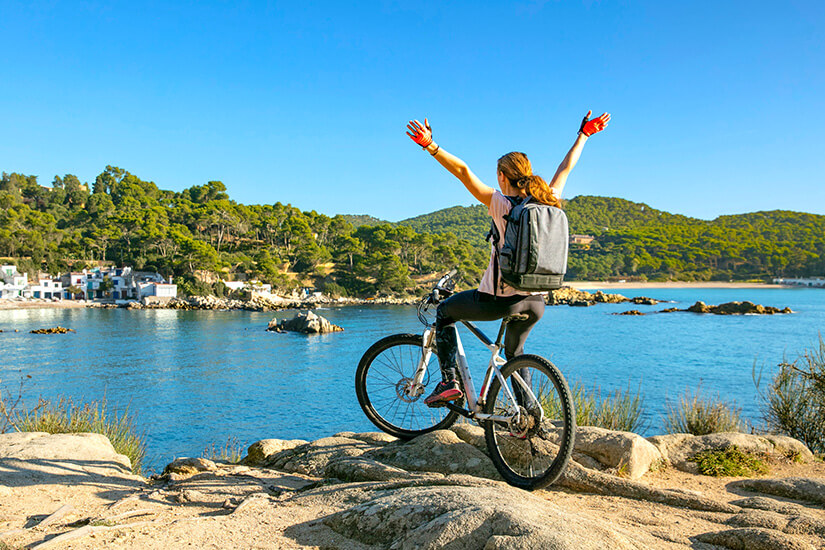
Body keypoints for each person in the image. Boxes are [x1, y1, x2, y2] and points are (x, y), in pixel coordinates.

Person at [406, 111, 611, 406]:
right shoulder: (547, 199)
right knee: (516, 355)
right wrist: (584, 135)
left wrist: (431, 146)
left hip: (500, 299)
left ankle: (448, 381)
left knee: (445, 313)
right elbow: (565, 168)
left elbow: (463, 171)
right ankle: (528, 415)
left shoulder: (500, 203)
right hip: (537, 302)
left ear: (502, 176)